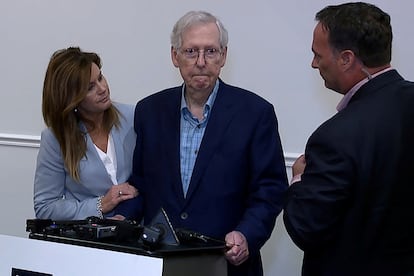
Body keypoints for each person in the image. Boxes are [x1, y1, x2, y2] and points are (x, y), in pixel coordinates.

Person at [128, 10, 288, 276]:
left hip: (227, 265)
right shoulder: (149, 111)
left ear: (223, 56)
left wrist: (246, 234)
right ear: (174, 56)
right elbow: (141, 185)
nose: (201, 62)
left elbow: (269, 190)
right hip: (161, 263)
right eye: (191, 52)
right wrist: (120, 219)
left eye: (210, 51)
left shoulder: (255, 113)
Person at [283, 2, 414, 275]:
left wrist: (298, 179)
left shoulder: (334, 137)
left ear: (346, 58)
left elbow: (306, 229)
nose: (313, 63)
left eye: (318, 55)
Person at [34, 47, 139, 221]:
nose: (102, 88)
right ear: (71, 98)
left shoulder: (133, 116)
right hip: (90, 239)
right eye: (90, 87)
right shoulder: (55, 139)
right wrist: (101, 204)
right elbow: (45, 207)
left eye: (100, 78)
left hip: (137, 233)